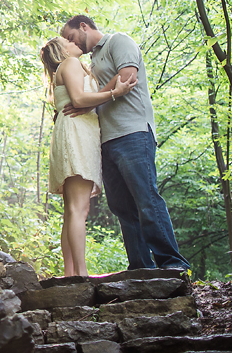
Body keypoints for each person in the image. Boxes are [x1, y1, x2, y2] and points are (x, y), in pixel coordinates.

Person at [60, 14, 190, 271]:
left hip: (133, 133)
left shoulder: (119, 41)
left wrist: (90, 99)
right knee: (121, 206)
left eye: (71, 37)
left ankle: (172, 263)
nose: (70, 43)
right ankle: (141, 266)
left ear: (84, 26)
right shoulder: (91, 61)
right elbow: (88, 99)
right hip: (106, 141)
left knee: (146, 198)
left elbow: (127, 77)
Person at [40, 36, 136, 277]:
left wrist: (115, 84)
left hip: (76, 132)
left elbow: (89, 100)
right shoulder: (70, 64)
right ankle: (81, 274)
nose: (75, 43)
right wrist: (115, 94)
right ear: (62, 50)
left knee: (73, 210)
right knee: (77, 209)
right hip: (77, 134)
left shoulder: (69, 69)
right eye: (68, 41)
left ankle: (71, 273)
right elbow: (80, 101)